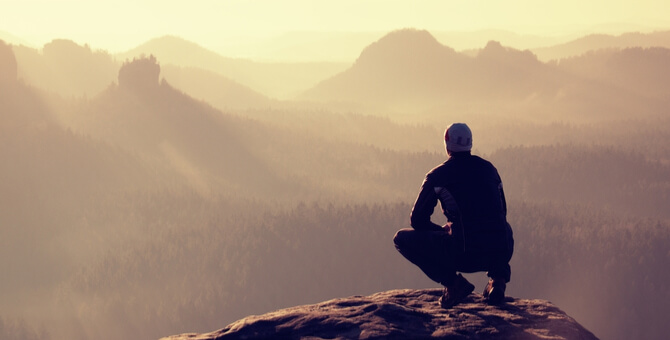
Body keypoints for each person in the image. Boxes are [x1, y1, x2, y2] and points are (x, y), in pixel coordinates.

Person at [393, 123, 514, 308]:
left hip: (465, 254)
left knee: (401, 239)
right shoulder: (490, 170)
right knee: (502, 227)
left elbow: (417, 220)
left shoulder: (437, 176)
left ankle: (453, 284)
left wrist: (443, 231)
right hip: (499, 250)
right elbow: (502, 211)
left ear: (446, 144)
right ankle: (497, 281)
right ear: (470, 143)